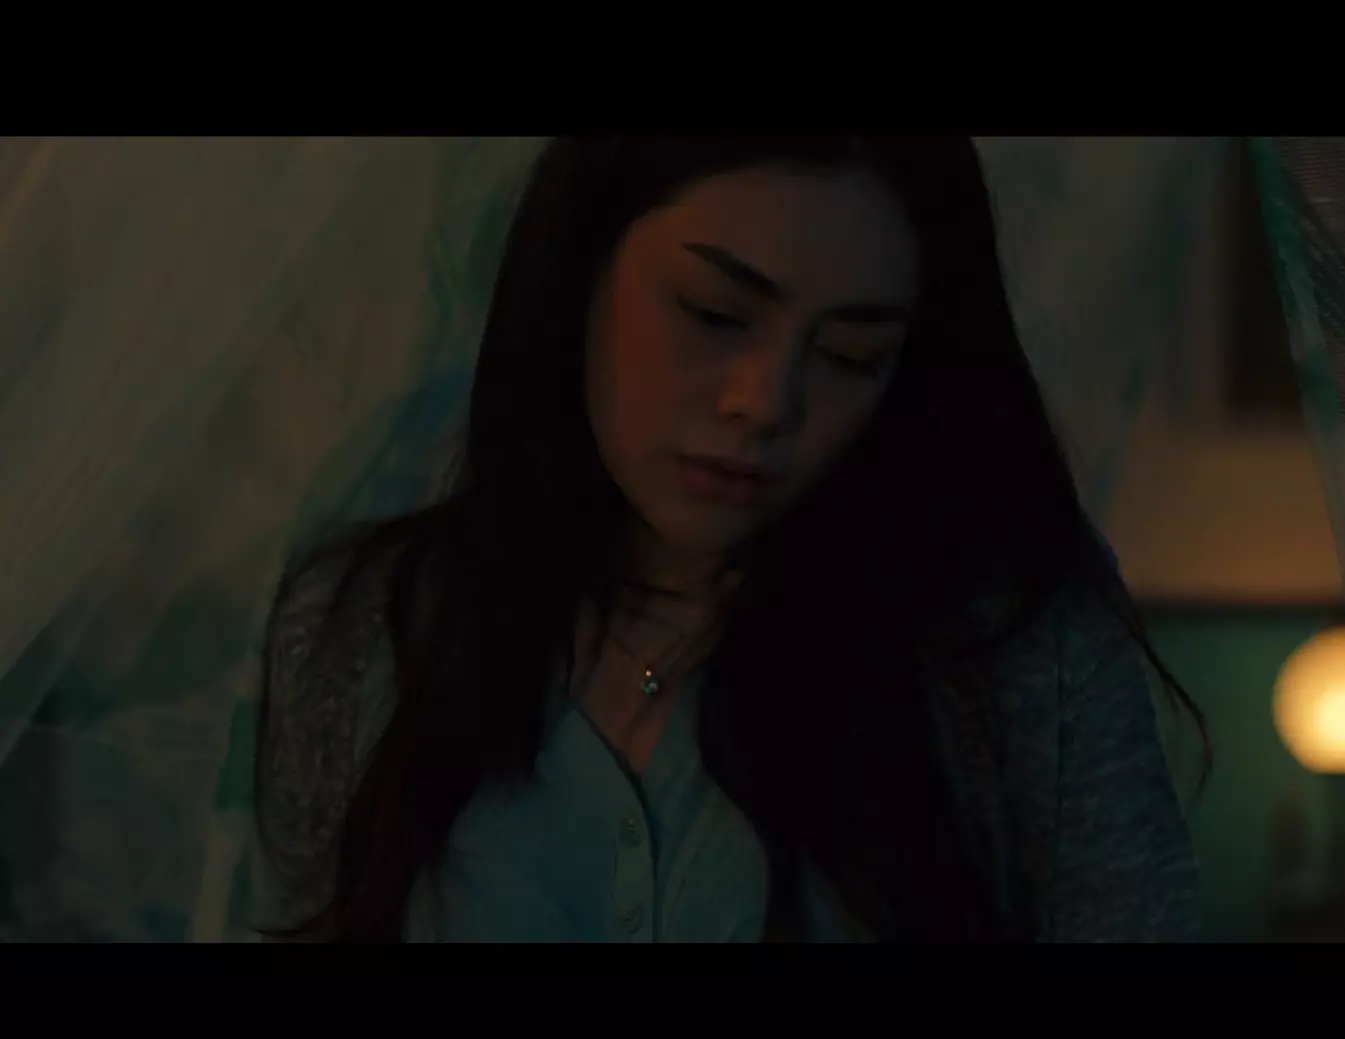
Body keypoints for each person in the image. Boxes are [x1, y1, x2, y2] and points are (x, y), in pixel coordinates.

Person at [249, 136, 1207, 943]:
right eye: (714, 314)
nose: (766, 401)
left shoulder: (1008, 646)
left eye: (851, 356)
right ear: (579, 267)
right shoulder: (368, 630)